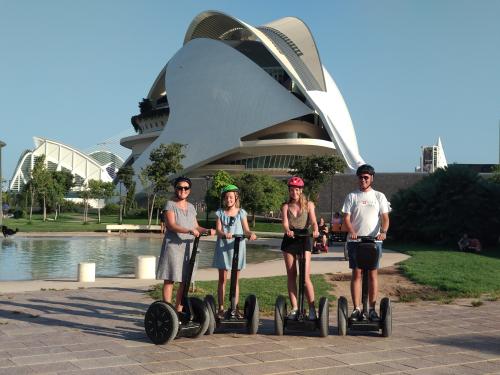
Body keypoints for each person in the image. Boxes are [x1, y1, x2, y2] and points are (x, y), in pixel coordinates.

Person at [156, 176, 215, 312]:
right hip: (173, 247)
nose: (183, 190)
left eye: (186, 188)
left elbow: (196, 226)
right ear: (175, 189)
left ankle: (178, 311)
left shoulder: (191, 207)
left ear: (189, 190)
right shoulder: (170, 205)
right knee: (170, 278)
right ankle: (168, 311)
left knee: (184, 280)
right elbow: (171, 225)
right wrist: (189, 230)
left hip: (189, 247)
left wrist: (206, 230)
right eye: (180, 187)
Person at [342, 164, 390, 322]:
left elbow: (384, 217)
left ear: (371, 178)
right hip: (356, 241)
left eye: (366, 177)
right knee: (357, 273)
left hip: (374, 241)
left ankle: (372, 309)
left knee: (372, 273)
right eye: (361, 177)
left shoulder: (379, 196)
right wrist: (352, 231)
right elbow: (347, 218)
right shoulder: (352, 196)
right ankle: (356, 308)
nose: (363, 180)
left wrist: (383, 232)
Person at [213, 184, 256, 318]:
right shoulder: (220, 213)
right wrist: (224, 234)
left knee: (235, 279)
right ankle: (221, 308)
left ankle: (234, 308)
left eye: (231, 197)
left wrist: (250, 234)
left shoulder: (241, 213)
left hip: (237, 247)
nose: (229, 200)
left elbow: (246, 229)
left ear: (236, 197)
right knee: (222, 279)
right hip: (223, 248)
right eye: (226, 197)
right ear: (224, 199)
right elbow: (218, 230)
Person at [281, 176, 320, 320]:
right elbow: (285, 223)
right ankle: (295, 308)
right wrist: (288, 230)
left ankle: (311, 309)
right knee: (292, 275)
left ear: (301, 190)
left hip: (304, 240)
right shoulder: (285, 206)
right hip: (290, 240)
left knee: (305, 276)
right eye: (291, 190)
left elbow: (314, 222)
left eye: (297, 189)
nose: (294, 192)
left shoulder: (309, 204)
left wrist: (315, 230)